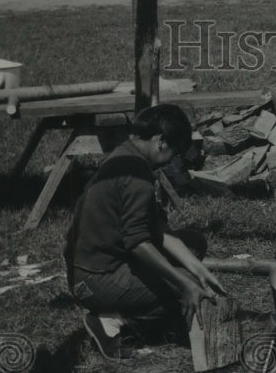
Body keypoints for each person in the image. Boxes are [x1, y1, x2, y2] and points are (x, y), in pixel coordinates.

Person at [64, 103, 227, 358]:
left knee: (194, 244)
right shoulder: (137, 175)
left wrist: (199, 268)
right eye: (174, 153)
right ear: (161, 142)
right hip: (94, 279)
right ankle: (112, 322)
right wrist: (184, 282)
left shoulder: (127, 154)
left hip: (95, 264)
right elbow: (138, 242)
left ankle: (136, 303)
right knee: (185, 287)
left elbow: (157, 228)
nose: (172, 160)